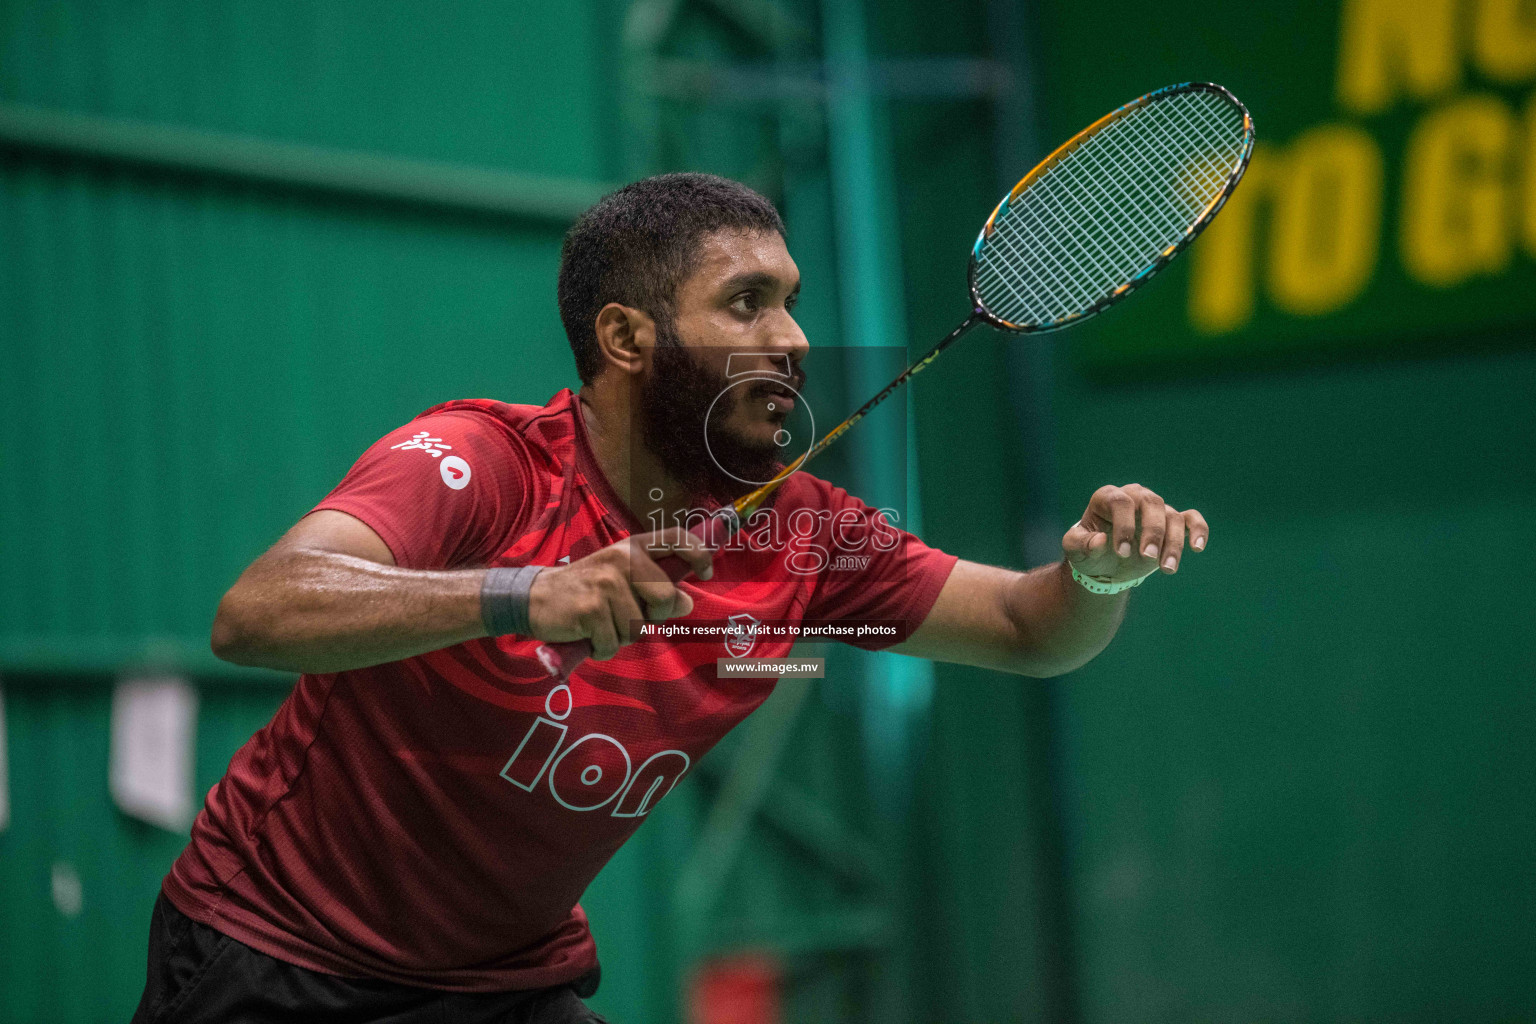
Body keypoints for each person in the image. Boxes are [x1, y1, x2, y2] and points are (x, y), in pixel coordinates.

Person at [131, 172, 1208, 1024]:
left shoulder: (807, 534)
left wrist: (1097, 575)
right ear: (627, 339)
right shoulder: (485, 462)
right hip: (275, 957)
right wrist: (522, 593)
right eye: (746, 302)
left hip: (503, 985)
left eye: (792, 301)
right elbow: (259, 610)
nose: (791, 337)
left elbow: (1027, 626)